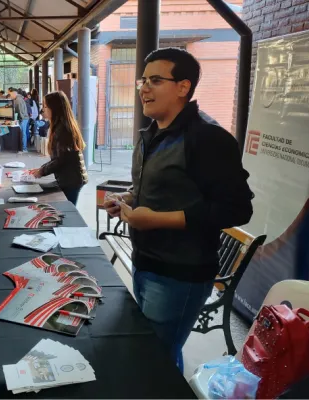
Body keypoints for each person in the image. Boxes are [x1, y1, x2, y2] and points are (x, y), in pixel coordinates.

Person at [103, 47, 254, 371]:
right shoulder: (152, 134)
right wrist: (129, 199)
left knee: (154, 360)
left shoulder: (208, 138)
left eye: (155, 80)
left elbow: (237, 208)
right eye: (143, 80)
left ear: (183, 87)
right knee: (160, 352)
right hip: (145, 261)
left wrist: (157, 220)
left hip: (179, 274)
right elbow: (161, 189)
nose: (143, 88)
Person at [28, 91, 88, 205]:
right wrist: (41, 168)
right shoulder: (59, 126)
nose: (43, 110)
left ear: (54, 108)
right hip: (69, 178)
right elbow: (58, 158)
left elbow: (61, 160)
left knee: (69, 211)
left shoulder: (63, 130)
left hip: (72, 179)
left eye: (45, 106)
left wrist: (42, 171)